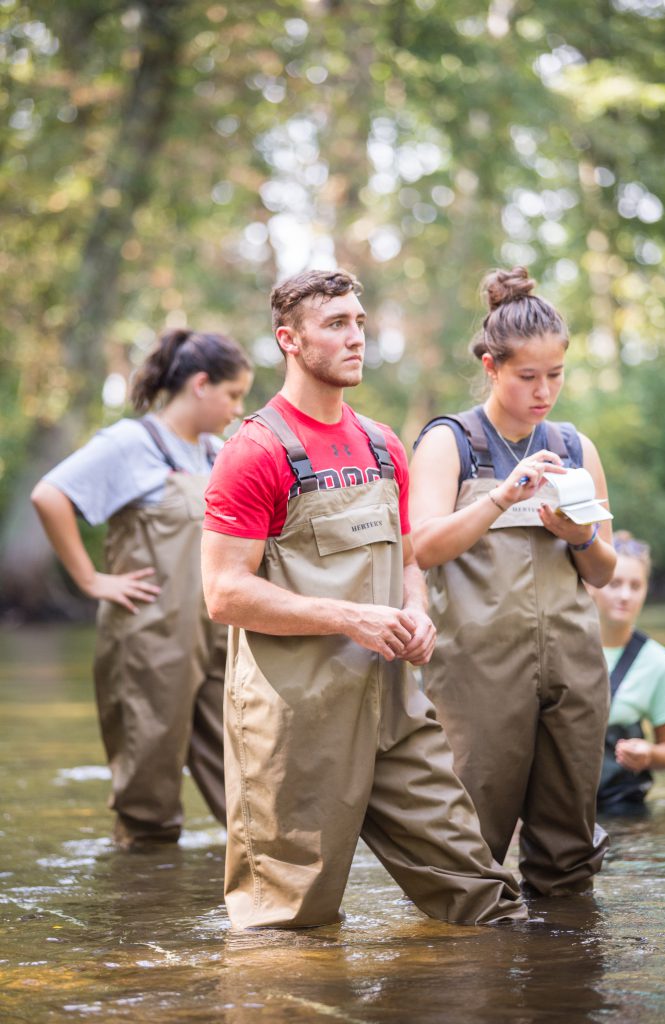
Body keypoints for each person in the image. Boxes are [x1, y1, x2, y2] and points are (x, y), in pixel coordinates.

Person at [201, 268, 527, 930]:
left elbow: (405, 555)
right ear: (288, 340)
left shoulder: (380, 442)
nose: (356, 338)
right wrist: (348, 617)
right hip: (297, 725)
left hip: (395, 712)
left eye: (360, 323)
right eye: (337, 325)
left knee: (483, 900)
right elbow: (224, 592)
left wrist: (417, 609)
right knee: (286, 928)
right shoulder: (253, 449)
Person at [410, 266, 617, 896]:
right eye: (528, 376)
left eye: (555, 375)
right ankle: (466, 981)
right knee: (472, 841)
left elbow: (604, 571)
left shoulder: (575, 447)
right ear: (491, 365)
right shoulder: (451, 442)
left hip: (574, 666)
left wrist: (578, 534)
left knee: (568, 850)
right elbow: (422, 546)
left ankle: (558, 984)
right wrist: (501, 497)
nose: (544, 391)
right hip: (476, 670)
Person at [31, 328, 253, 849]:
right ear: (201, 384)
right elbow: (49, 496)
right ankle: (139, 909)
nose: (237, 409)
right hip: (149, 642)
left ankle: (260, 904)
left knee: (248, 779)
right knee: (148, 797)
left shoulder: (217, 453)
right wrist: (90, 580)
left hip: (216, 639)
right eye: (233, 395)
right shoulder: (131, 443)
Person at [587, 531, 665, 814]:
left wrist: (649, 754)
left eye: (635, 586)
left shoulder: (658, 663)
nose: (625, 595)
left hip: (621, 806)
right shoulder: (558, 648)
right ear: (591, 584)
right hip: (554, 807)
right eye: (614, 584)